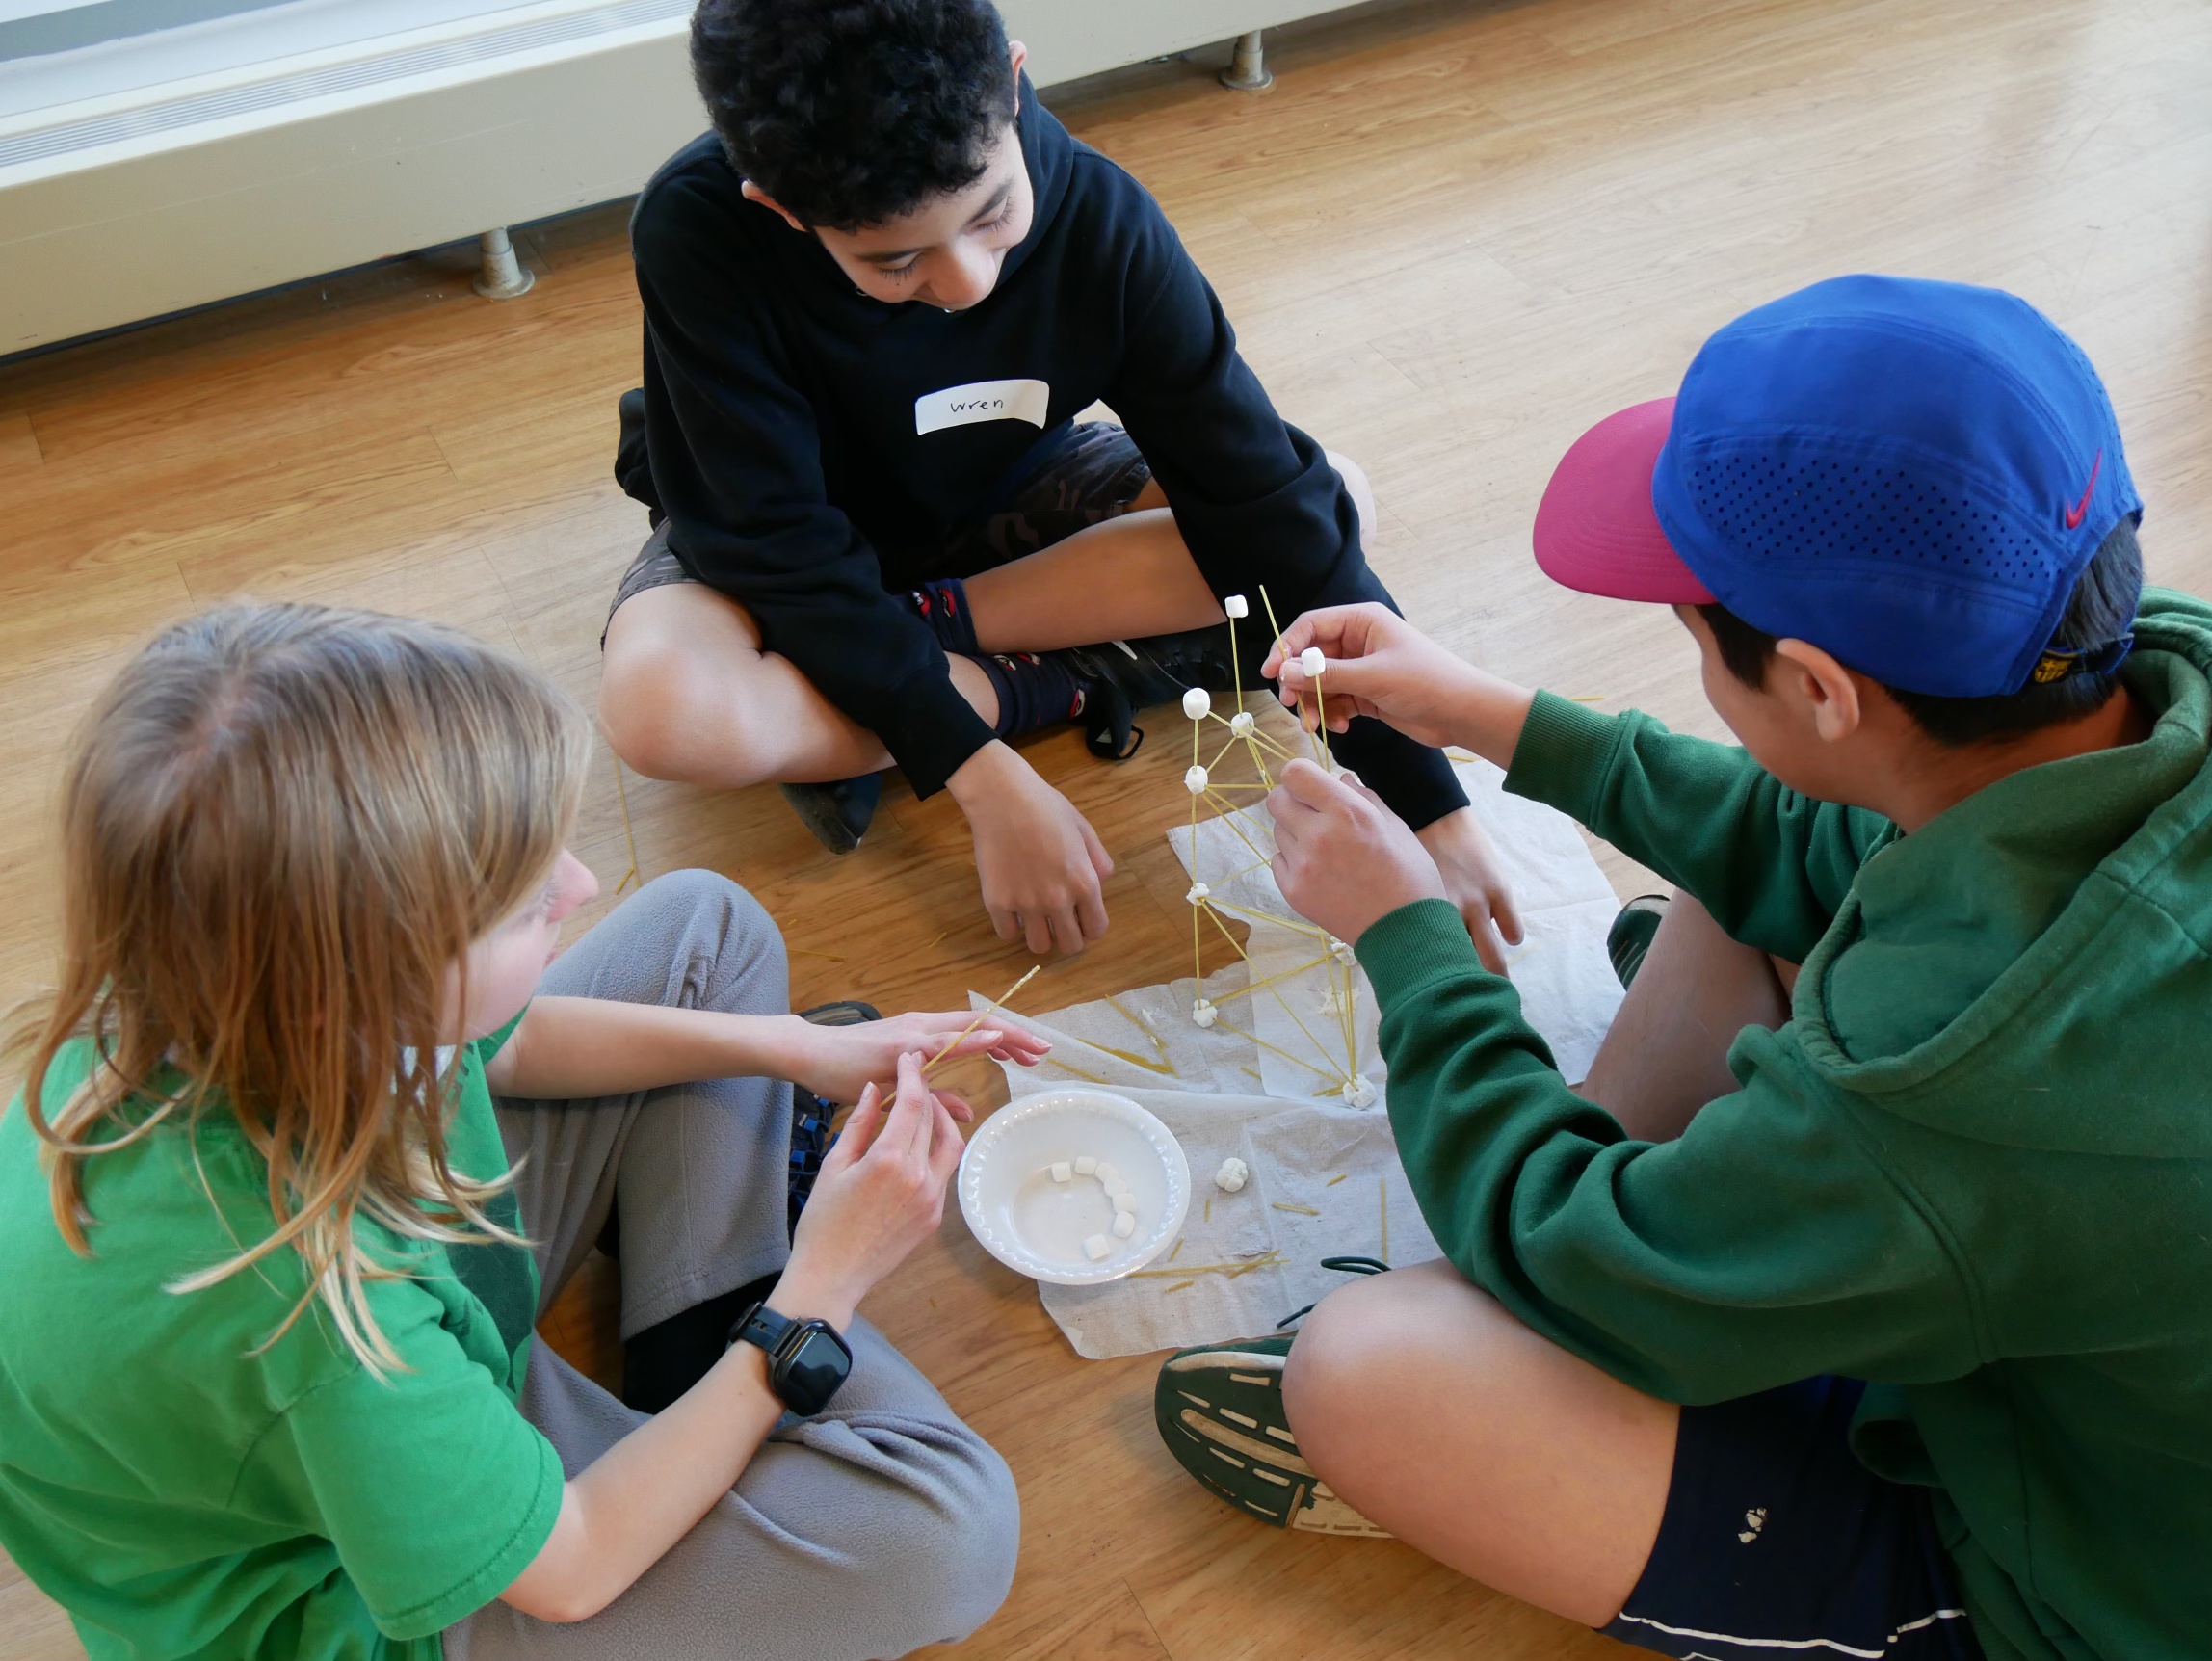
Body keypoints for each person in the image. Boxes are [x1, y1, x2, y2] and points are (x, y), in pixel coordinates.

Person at [1149, 276, 2212, 1661]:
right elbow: (1824, 830)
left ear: (1820, 688)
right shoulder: (2131, 664)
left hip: (2104, 1583)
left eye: (1695, 635)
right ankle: (1643, 1256)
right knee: (1744, 895)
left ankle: (1613, 1305)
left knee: (1358, 1372)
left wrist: (1407, 940)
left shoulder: (1947, 1077)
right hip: (2064, 1293)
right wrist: (1490, 713)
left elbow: (1576, 1247)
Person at [0, 604, 1040, 1661]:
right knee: (951, 1535)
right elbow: (573, 1567)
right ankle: (736, 1353)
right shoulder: (316, 1316)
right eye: (520, 900)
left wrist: (792, 1050)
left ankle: (704, 1358)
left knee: (705, 926)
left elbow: (508, 1039)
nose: (580, 885)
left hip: (413, 1345)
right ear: (366, 989)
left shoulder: (225, 988)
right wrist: (820, 1288)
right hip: (376, 1580)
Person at [596, 0, 1519, 966]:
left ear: (1011, 81)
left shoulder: (1100, 214)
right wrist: (978, 771)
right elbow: (773, 540)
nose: (968, 281)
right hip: (782, 542)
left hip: (1010, 496)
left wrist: (1431, 806)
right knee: (663, 709)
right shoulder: (697, 229)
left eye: (993, 213)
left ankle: (927, 665)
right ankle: (1034, 684)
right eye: (896, 260)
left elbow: (1258, 495)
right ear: (781, 209)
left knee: (1335, 499)